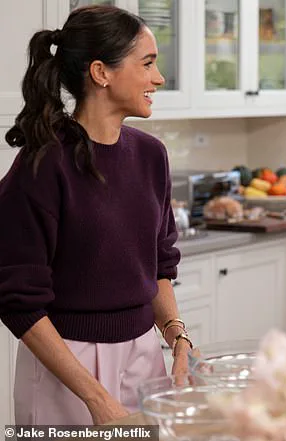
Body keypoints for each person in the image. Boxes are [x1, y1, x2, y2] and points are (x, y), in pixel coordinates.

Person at [0, 5, 192, 424]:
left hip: (144, 360)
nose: (159, 78)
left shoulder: (151, 155)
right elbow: (17, 299)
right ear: (101, 72)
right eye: (147, 63)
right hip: (65, 372)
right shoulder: (42, 165)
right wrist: (96, 398)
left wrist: (177, 336)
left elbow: (159, 266)